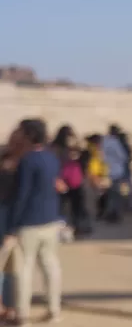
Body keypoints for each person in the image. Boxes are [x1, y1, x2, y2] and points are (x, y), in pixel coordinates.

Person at [7, 118, 63, 324]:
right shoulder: (52, 157)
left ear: (28, 135)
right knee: (51, 266)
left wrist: (12, 225)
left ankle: (22, 314)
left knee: (24, 268)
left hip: (29, 221)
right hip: (50, 219)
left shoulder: (28, 160)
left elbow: (22, 195)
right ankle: (54, 310)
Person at [50, 126, 92, 238]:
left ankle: (73, 228)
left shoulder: (56, 148)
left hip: (67, 181)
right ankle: (72, 228)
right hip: (69, 182)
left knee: (68, 207)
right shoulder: (63, 149)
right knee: (70, 207)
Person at [0, 130, 24, 323]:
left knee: (8, 271)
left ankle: (7, 307)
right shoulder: (13, 170)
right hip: (9, 225)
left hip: (10, 225)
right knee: (7, 270)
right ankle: (7, 307)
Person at [101, 126, 130, 223]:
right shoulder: (115, 142)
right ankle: (114, 214)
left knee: (110, 194)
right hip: (117, 171)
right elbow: (123, 156)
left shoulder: (104, 142)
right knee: (116, 194)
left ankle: (109, 212)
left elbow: (102, 156)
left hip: (107, 171)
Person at [109, 124, 132, 212]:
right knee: (118, 190)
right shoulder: (112, 143)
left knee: (122, 189)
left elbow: (130, 157)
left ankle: (126, 206)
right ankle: (121, 207)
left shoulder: (119, 143)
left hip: (123, 169)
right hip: (120, 169)